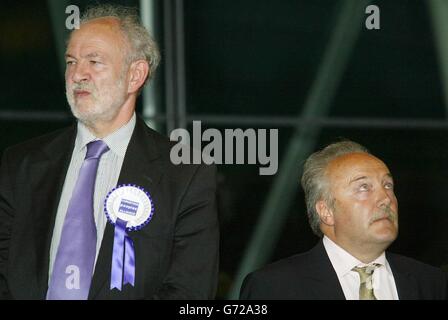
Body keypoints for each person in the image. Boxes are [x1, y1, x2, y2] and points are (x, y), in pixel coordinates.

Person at [0, 4, 219, 300]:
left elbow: (189, 292)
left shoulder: (185, 172)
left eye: (94, 62)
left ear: (135, 75)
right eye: (71, 62)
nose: (78, 75)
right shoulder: (21, 164)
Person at [240, 140, 447, 300]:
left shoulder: (431, 283)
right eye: (364, 187)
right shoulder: (274, 287)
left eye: (388, 185)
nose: (386, 199)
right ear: (326, 211)